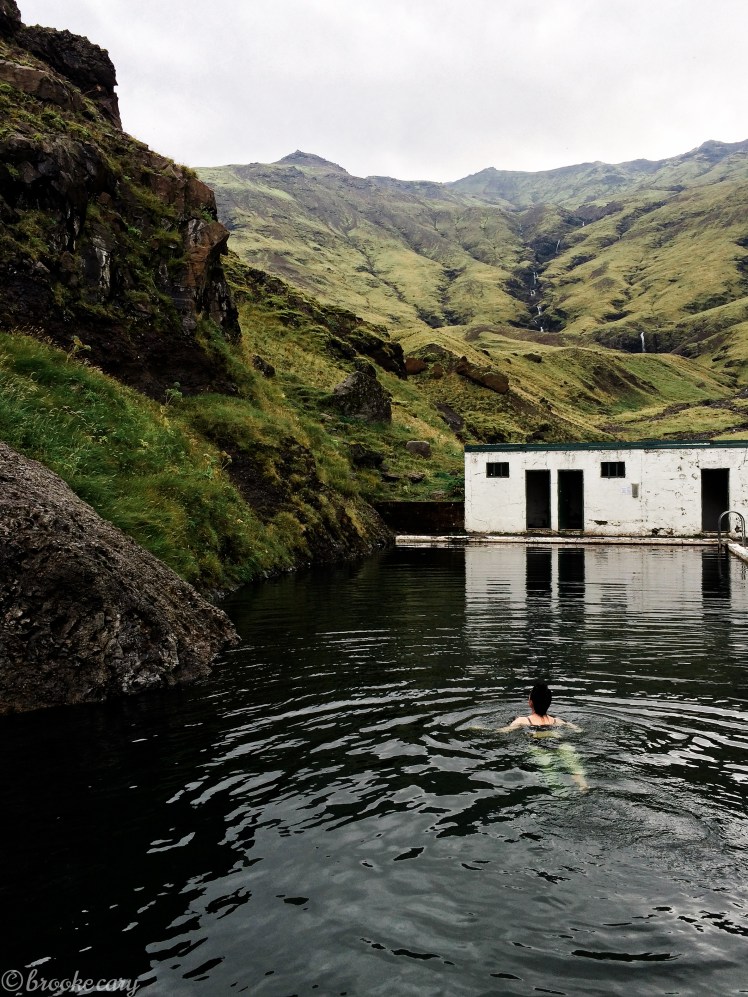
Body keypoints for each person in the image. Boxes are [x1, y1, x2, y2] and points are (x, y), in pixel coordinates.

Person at [499, 681, 581, 733]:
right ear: (549, 703)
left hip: (536, 742)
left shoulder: (522, 720)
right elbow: (578, 730)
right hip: (555, 737)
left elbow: (504, 731)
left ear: (530, 702)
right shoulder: (557, 720)